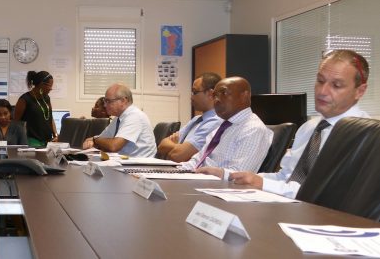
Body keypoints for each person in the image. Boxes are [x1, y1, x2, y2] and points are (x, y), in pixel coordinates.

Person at [201, 50, 371, 197]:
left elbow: (324, 195)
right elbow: (286, 178)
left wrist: (263, 184)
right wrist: (227, 175)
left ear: (360, 91)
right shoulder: (309, 128)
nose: (323, 91)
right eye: (320, 81)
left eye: (337, 85)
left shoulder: (365, 137)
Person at [180, 77, 272, 173]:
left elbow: (239, 174)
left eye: (223, 93)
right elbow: (197, 161)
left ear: (244, 96)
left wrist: (203, 172)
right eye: (215, 95)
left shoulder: (253, 129)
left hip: (216, 181)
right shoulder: (222, 126)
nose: (216, 100)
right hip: (200, 177)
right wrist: (176, 170)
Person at [156, 72, 223, 162]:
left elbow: (178, 155)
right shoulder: (196, 120)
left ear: (210, 94)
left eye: (195, 92)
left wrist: (177, 147)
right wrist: (179, 147)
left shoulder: (215, 122)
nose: (191, 97)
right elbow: (161, 146)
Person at [82, 83, 157, 157]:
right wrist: (91, 141)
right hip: (126, 161)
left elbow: (114, 146)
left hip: (141, 163)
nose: (105, 105)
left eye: (108, 101)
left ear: (123, 101)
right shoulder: (119, 118)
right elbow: (101, 138)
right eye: (105, 101)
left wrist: (95, 140)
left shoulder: (135, 116)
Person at [14, 71, 57, 147]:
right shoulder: (24, 99)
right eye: (50, 86)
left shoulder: (47, 98)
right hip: (31, 141)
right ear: (41, 84)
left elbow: (50, 117)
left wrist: (55, 135)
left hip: (48, 141)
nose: (51, 89)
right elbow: (16, 122)